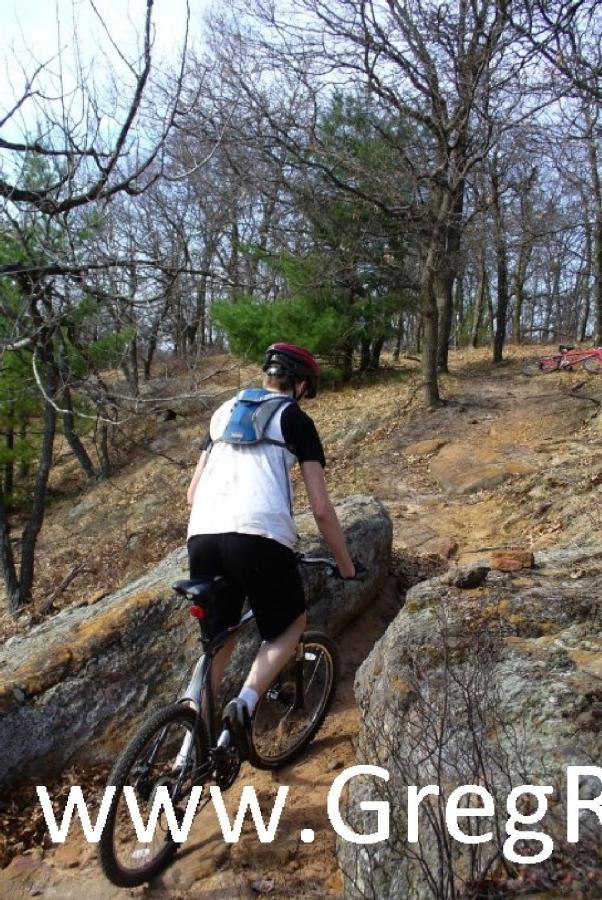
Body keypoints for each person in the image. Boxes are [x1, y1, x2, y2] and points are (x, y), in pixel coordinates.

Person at [186, 342, 356, 757]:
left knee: (217, 642)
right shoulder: (295, 419)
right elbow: (321, 509)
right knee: (289, 627)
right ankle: (243, 705)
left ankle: (186, 748)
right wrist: (347, 566)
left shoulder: (222, 412)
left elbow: (191, 494)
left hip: (202, 536)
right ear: (299, 384)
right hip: (259, 538)